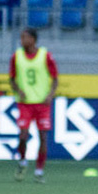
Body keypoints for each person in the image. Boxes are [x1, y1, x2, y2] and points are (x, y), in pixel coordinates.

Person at [8, 27, 58, 182]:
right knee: (23, 136)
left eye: (25, 37)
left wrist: (50, 95)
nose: (22, 41)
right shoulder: (16, 56)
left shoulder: (45, 55)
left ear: (33, 39)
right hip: (25, 103)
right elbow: (11, 78)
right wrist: (18, 90)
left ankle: (39, 170)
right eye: (21, 37)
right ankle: (22, 161)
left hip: (42, 103)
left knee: (43, 137)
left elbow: (55, 78)